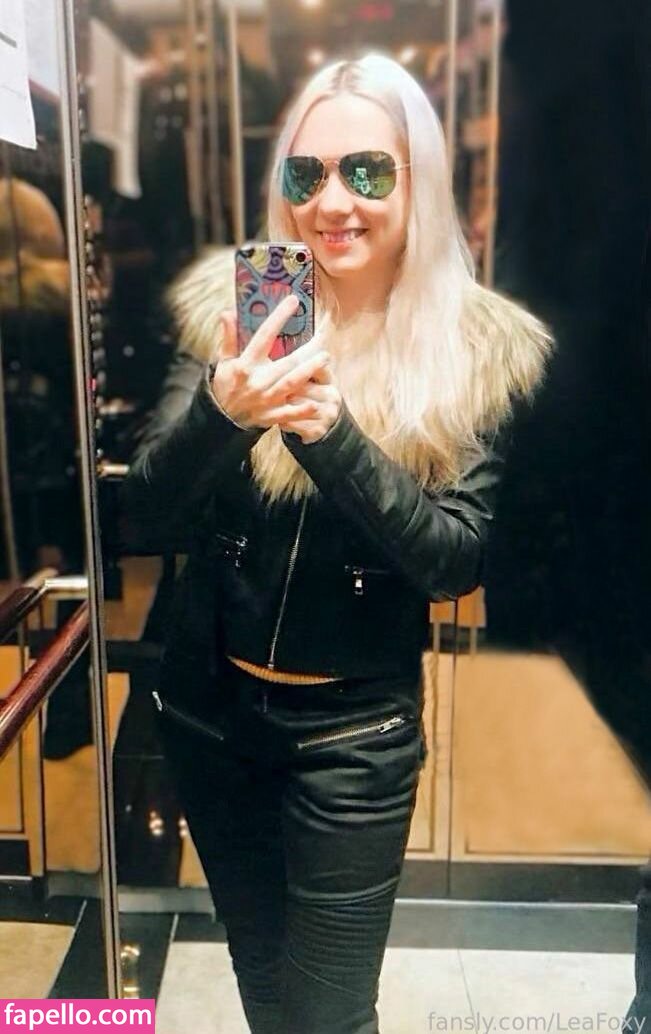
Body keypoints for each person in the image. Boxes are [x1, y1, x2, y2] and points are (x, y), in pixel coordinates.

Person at [122, 53, 550, 1034]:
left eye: (366, 171)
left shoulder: (474, 348)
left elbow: (451, 562)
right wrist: (224, 413)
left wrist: (328, 434)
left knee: (331, 1015)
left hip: (352, 743)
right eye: (305, 173)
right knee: (267, 991)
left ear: (417, 182)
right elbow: (143, 516)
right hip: (210, 717)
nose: (331, 203)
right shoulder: (233, 307)